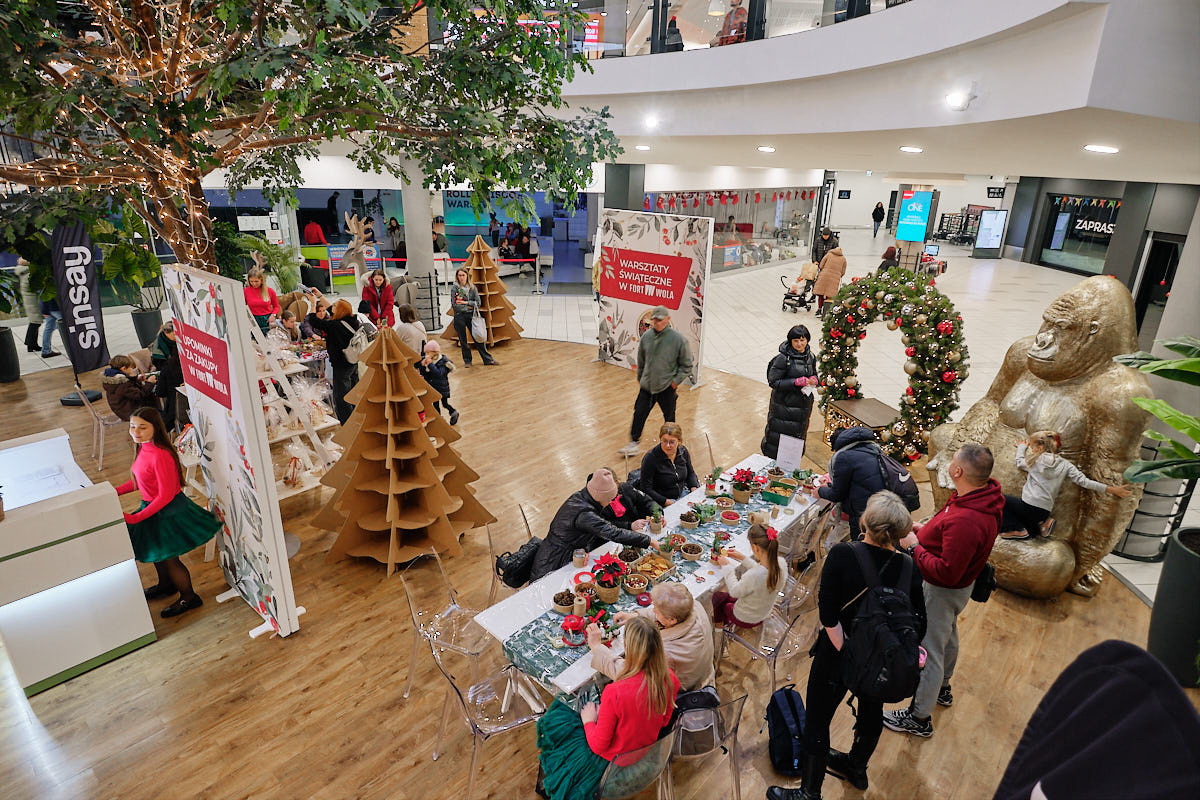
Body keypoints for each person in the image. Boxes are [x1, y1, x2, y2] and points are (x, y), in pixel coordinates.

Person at [768, 491, 927, 800]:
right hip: (883, 657)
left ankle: (809, 793)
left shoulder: (844, 554)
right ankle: (856, 766)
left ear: (865, 521)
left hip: (838, 654)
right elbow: (918, 623)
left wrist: (851, 655)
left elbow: (828, 616)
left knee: (818, 718)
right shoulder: (910, 568)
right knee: (872, 710)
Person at [883, 443, 1003, 739]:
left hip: (942, 589)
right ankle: (943, 687)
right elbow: (948, 533)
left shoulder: (967, 520)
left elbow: (947, 569)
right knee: (947, 633)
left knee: (930, 649)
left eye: (953, 460)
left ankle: (919, 717)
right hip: (960, 588)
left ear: (958, 470)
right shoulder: (982, 497)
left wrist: (914, 547)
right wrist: (925, 530)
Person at [535, 616, 680, 800]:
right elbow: (664, 721)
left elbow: (597, 746)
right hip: (645, 749)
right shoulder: (670, 678)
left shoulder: (615, 692)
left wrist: (588, 721)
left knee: (559, 714)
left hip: (612, 760)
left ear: (628, 648)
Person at [118, 406, 221, 618]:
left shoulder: (161, 455)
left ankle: (189, 597)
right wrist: (113, 491)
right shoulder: (143, 448)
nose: (135, 432)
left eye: (142, 428)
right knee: (158, 554)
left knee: (171, 559)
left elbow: (165, 496)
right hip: (153, 509)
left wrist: (137, 517)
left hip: (168, 511)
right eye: (132, 427)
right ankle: (166, 585)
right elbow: (140, 481)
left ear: (156, 428)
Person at [999, 431, 1131, 541]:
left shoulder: (1036, 460)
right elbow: (1084, 482)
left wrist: (1022, 447)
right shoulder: (1066, 465)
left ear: (1039, 448)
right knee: (1031, 531)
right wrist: (1112, 489)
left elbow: (1019, 462)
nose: (1032, 450)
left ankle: (1014, 529)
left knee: (999, 498)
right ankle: (1042, 525)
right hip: (1044, 511)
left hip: (1028, 506)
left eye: (1033, 447)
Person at [530, 469, 655, 580]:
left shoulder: (582, 497)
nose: (611, 502)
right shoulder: (585, 514)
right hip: (554, 561)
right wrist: (650, 541)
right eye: (610, 499)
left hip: (566, 555)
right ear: (601, 496)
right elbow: (614, 533)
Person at [590, 582, 715, 692]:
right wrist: (635, 616)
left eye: (656, 610)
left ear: (672, 620)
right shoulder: (692, 606)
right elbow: (665, 613)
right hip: (701, 672)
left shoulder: (667, 653)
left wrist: (597, 648)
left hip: (682, 694)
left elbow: (632, 677)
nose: (653, 610)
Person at [619, 306, 693, 457]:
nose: (657, 322)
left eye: (660, 320)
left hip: (667, 387)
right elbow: (641, 358)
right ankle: (634, 443)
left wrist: (674, 382)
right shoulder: (647, 337)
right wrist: (640, 376)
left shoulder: (678, 340)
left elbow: (687, 366)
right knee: (639, 413)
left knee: (669, 418)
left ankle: (673, 443)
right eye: (655, 320)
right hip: (647, 386)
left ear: (667, 319)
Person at [808, 426, 887, 538]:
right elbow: (853, 485)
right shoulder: (872, 449)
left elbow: (838, 494)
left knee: (859, 547)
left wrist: (820, 491)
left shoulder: (844, 457)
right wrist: (830, 486)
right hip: (881, 509)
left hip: (862, 513)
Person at [710, 524, 787, 630]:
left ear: (755, 548)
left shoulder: (753, 576)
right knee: (726, 598)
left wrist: (727, 567)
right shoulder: (781, 563)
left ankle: (719, 627)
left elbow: (734, 591)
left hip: (746, 618)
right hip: (763, 611)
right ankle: (722, 624)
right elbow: (761, 572)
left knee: (718, 597)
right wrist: (742, 558)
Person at [762, 324, 819, 459]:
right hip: (783, 407)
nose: (799, 344)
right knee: (779, 440)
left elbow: (815, 373)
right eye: (796, 341)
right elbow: (773, 381)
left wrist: (815, 379)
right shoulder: (783, 358)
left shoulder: (810, 357)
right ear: (790, 341)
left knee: (796, 439)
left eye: (802, 340)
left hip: (802, 407)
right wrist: (795, 382)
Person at [309, 299, 361, 424]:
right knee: (354, 393)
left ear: (340, 310)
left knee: (341, 398)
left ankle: (348, 425)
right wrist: (319, 296)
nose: (332, 306)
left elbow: (313, 321)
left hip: (341, 365)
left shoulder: (335, 326)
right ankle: (357, 419)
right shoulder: (353, 321)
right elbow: (332, 309)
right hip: (353, 361)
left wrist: (312, 303)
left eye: (335, 306)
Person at [637, 422, 699, 506]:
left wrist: (694, 488)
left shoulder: (683, 451)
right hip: (663, 500)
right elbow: (646, 488)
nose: (667, 445)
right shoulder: (650, 458)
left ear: (679, 441)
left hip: (683, 493)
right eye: (664, 441)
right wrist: (666, 502)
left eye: (672, 442)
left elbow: (690, 473)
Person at [449, 267, 498, 367]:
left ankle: (487, 359)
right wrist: (469, 306)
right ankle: (467, 361)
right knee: (463, 340)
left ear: (467, 276)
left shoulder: (472, 288)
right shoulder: (454, 288)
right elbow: (454, 305)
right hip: (459, 317)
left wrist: (465, 302)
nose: (461, 277)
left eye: (463, 275)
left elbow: (478, 303)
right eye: (459, 275)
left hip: (471, 316)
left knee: (478, 338)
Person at [102, 354, 158, 421]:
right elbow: (139, 395)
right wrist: (150, 383)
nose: (132, 369)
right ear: (124, 368)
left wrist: (136, 380)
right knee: (152, 396)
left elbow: (129, 386)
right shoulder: (122, 383)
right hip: (129, 411)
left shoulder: (113, 377)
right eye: (130, 367)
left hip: (123, 409)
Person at [150, 321, 183, 431]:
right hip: (168, 373)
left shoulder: (176, 343)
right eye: (174, 334)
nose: (176, 337)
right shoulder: (159, 346)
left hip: (170, 374)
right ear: (166, 332)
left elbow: (160, 392)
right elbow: (158, 363)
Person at [418, 340, 458, 425]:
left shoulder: (443, 362)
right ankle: (439, 419)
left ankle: (453, 412)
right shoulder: (430, 361)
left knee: (444, 404)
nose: (426, 354)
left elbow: (439, 374)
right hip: (433, 387)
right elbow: (425, 374)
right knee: (435, 405)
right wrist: (422, 366)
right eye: (426, 352)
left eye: (428, 352)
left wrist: (430, 365)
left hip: (442, 388)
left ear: (434, 352)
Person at [244, 266, 280, 334]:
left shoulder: (269, 291)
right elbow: (243, 306)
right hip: (253, 319)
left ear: (261, 280)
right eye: (251, 281)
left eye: (256, 281)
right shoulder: (246, 291)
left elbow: (276, 306)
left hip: (267, 319)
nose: (254, 284)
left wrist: (273, 315)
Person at [813, 245, 846, 315]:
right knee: (829, 295)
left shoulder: (828, 255)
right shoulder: (843, 259)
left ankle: (819, 309)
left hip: (824, 275)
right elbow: (843, 272)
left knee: (821, 294)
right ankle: (826, 311)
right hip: (834, 279)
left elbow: (821, 265)